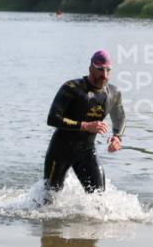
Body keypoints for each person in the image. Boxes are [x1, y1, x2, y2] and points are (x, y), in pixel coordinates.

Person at [43, 50, 125, 195]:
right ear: (90, 68)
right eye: (100, 69)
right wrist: (85, 126)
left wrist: (117, 137)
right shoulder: (72, 88)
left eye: (108, 70)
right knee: (49, 197)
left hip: (87, 150)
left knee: (99, 197)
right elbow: (53, 118)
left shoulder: (114, 93)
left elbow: (119, 117)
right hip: (61, 149)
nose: (104, 75)